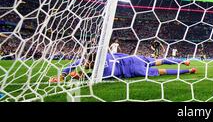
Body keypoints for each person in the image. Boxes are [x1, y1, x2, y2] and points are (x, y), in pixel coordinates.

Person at [49, 52, 195, 83]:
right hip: (133, 58)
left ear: (90, 63)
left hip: (133, 70)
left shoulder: (104, 73)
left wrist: (77, 77)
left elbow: (86, 76)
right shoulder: (103, 54)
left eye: (87, 63)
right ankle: (183, 63)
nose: (85, 63)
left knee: (161, 71)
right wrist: (65, 75)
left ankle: (187, 69)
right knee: (160, 61)